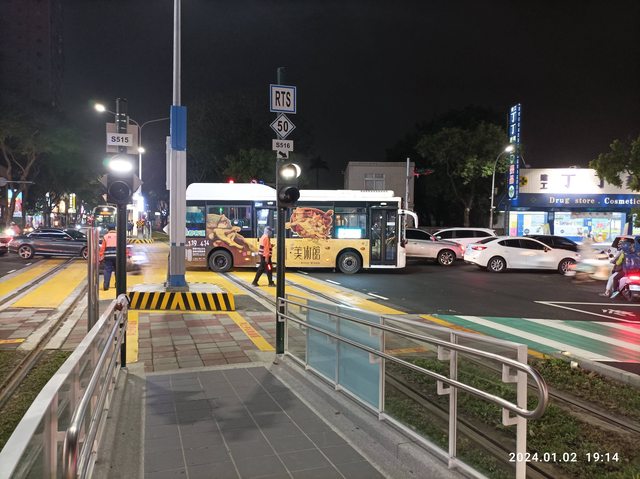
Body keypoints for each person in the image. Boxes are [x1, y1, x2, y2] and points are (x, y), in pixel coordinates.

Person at [99, 224, 117, 291]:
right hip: (117, 257)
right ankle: (118, 284)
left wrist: (100, 256)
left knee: (107, 271)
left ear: (108, 229)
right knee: (118, 270)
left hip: (108, 257)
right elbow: (124, 246)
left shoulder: (105, 236)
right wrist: (127, 255)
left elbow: (103, 248)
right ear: (115, 228)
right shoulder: (119, 235)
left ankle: (106, 285)